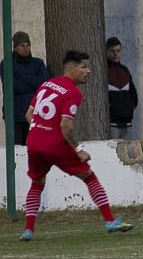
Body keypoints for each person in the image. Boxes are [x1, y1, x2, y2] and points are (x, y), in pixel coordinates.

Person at [20, 50, 133, 241]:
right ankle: (110, 221)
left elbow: (29, 115)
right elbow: (66, 126)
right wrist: (78, 149)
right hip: (55, 143)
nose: (88, 71)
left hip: (34, 141)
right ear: (71, 69)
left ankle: (28, 230)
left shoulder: (46, 84)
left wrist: (40, 129)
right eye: (84, 66)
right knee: (88, 176)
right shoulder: (73, 93)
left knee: (37, 182)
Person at [0, 31, 49, 146]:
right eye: (22, 45)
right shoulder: (7, 64)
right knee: (16, 147)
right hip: (15, 114)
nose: (25, 48)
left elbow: (44, 83)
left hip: (35, 114)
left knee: (33, 146)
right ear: (15, 47)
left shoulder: (38, 63)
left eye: (28, 45)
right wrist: (33, 84)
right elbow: (12, 86)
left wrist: (22, 78)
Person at [105, 37, 138, 140]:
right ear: (106, 52)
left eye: (118, 51)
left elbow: (133, 92)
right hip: (112, 124)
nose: (116, 54)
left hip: (128, 123)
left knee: (129, 154)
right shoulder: (104, 71)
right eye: (112, 51)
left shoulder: (125, 70)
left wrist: (131, 106)